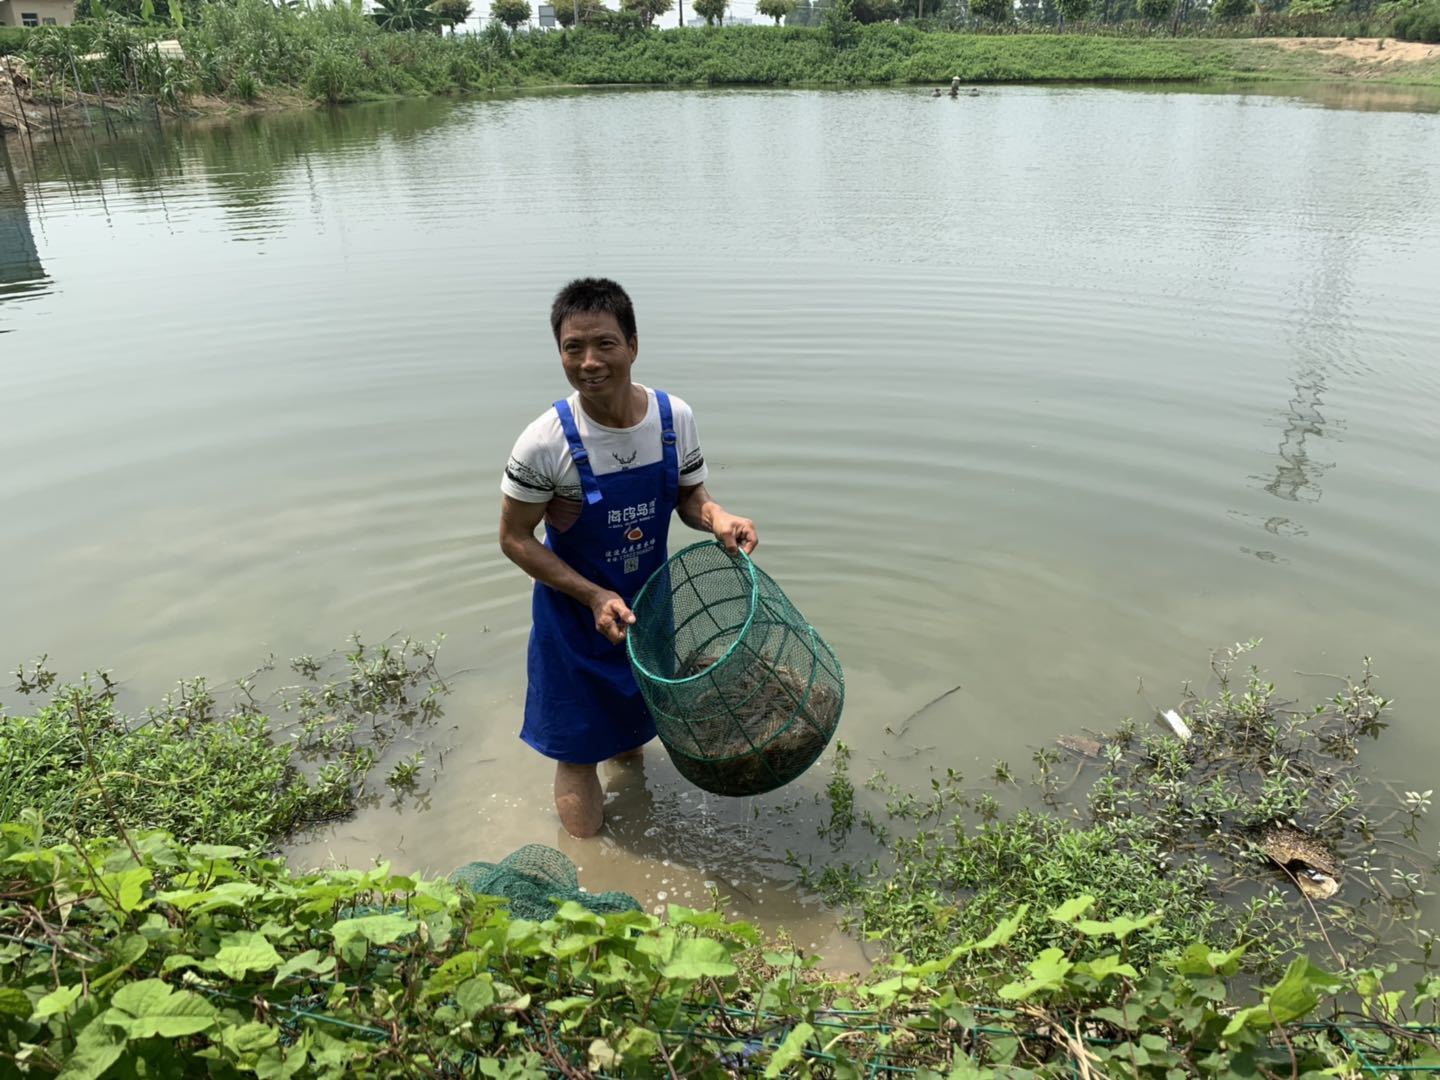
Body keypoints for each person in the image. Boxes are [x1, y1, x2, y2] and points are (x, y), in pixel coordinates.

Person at [498, 278, 758, 838]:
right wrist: (592, 595)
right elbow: (515, 539)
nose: (589, 362)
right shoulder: (545, 443)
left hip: (648, 609)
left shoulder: (672, 418)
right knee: (577, 751)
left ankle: (632, 832)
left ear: (633, 345)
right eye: (573, 348)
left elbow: (689, 497)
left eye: (605, 345)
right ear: (560, 353)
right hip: (576, 618)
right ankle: (589, 869)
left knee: (638, 729)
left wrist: (719, 519)